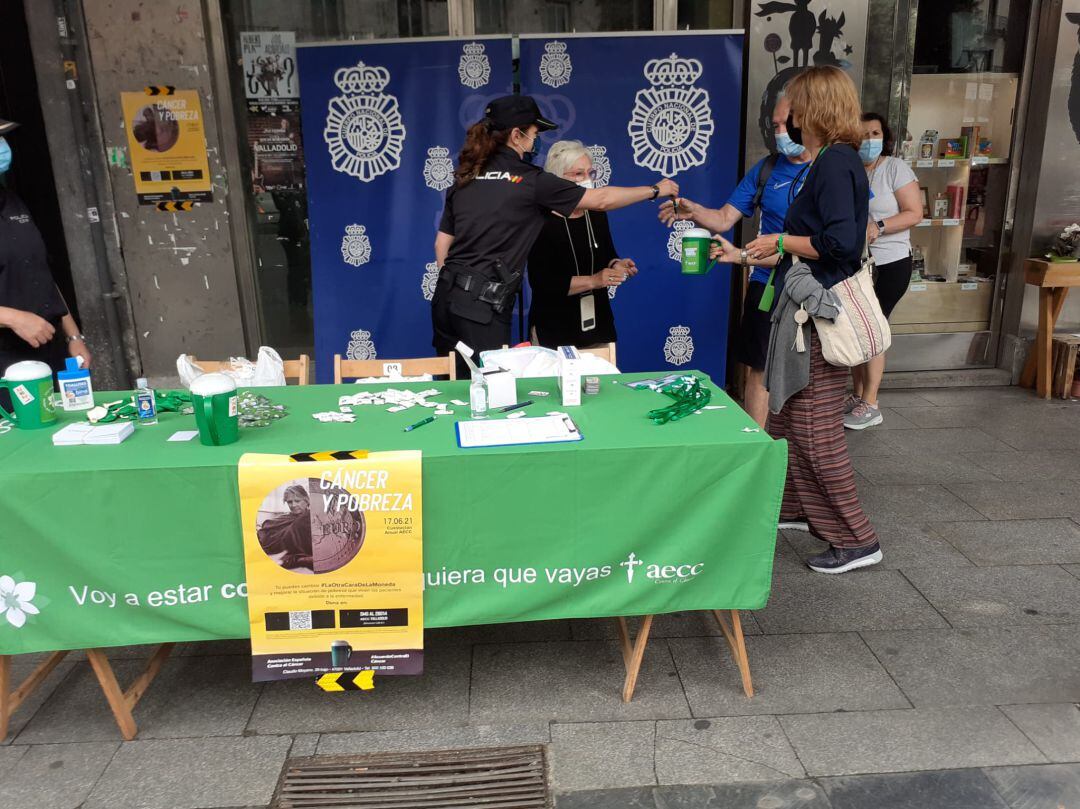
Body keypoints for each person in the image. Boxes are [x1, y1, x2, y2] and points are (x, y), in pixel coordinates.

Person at [712, 65, 880, 574]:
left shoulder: (834, 164)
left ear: (814, 109)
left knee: (812, 427)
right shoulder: (833, 160)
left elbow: (840, 244)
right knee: (785, 416)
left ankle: (857, 538)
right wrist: (749, 256)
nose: (786, 118)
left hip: (820, 313)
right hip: (798, 308)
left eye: (794, 107)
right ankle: (796, 509)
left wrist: (780, 240)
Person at [433, 95, 677, 375]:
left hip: (446, 300)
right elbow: (602, 199)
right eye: (535, 133)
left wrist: (457, 290)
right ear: (516, 135)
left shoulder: (466, 176)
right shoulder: (529, 180)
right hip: (483, 307)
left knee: (452, 387)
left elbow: (441, 244)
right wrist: (655, 190)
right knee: (486, 391)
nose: (535, 140)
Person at [658, 95, 812, 427]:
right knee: (759, 368)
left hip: (815, 288)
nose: (781, 132)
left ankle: (800, 449)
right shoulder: (768, 169)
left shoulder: (832, 168)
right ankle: (756, 444)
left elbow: (850, 233)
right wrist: (693, 211)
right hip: (767, 285)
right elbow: (724, 218)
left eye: (788, 123)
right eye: (775, 126)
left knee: (810, 374)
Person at [844, 112, 922, 430]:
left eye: (875, 133)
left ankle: (871, 403)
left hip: (889, 264)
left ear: (884, 137)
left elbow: (914, 212)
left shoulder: (894, 168)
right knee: (855, 330)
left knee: (874, 330)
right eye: (863, 135)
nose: (869, 140)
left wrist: (879, 225)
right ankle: (858, 394)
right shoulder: (849, 171)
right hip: (856, 264)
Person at [526, 140, 637, 350]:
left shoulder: (596, 213)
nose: (586, 180)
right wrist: (594, 280)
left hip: (598, 325)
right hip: (554, 328)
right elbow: (543, 284)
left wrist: (617, 266)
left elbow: (607, 254)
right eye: (578, 174)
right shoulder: (539, 220)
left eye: (590, 173)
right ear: (557, 180)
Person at [0, 119, 91, 375]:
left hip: (48, 349)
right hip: (7, 359)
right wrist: (13, 318)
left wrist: (73, 337)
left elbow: (41, 275)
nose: (2, 147)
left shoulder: (13, 201)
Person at [258, 484, 314, 572]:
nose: (293, 505)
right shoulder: (283, 519)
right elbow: (266, 529)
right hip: (285, 551)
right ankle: (298, 559)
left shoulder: (313, 516)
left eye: (297, 501)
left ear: (306, 500)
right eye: (289, 502)